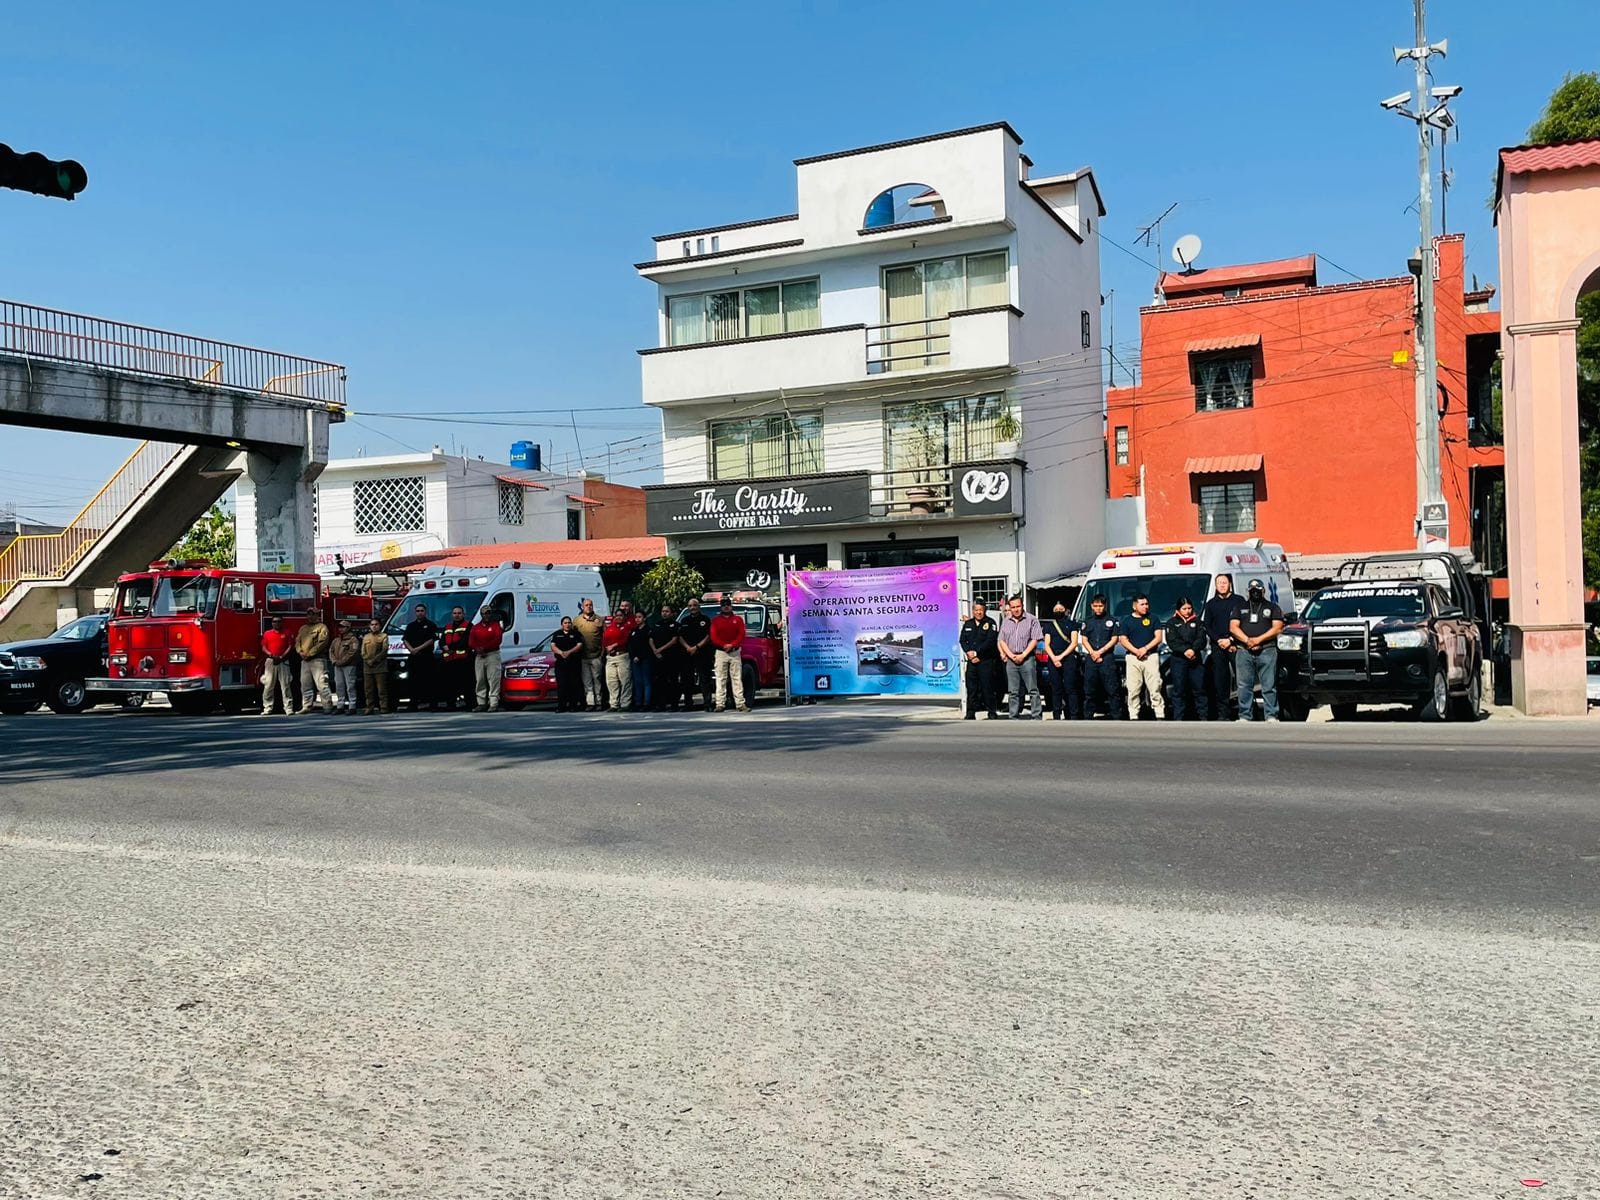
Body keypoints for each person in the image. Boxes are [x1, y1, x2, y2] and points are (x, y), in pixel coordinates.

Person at [1230, 578, 1285, 723]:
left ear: (1263, 591)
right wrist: (1248, 641)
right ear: (1248, 591)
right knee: (1244, 685)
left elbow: (1278, 627)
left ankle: (1271, 714)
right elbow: (1233, 627)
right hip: (1244, 650)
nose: (1255, 593)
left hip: (1267, 649)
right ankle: (1245, 715)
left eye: (1258, 590)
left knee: (1269, 684)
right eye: (1252, 590)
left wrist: (1259, 640)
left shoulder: (1273, 607)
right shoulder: (1239, 607)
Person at [1201, 574, 1244, 721]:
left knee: (1241, 678)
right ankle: (1223, 714)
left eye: (1224, 582)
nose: (1222, 585)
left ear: (1230, 584)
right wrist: (1219, 640)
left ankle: (1244, 711)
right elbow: (1207, 625)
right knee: (1220, 680)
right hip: (1218, 646)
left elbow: (1243, 622)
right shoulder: (1211, 604)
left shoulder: (1239, 601)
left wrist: (1231, 640)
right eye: (1219, 583)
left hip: (1236, 644)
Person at [1120, 593, 1166, 720]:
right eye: (1142, 604)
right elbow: (1123, 639)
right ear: (1134, 606)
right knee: (1133, 687)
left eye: (1146, 604)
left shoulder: (1154, 619)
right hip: (1133, 658)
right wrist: (1136, 651)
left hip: (1150, 656)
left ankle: (1159, 712)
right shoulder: (1126, 621)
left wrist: (1145, 649)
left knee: (1155, 686)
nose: (1145, 607)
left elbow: (1158, 638)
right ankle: (1133, 714)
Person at [998, 595, 1044, 720]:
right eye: (1013, 607)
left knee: (1032, 689)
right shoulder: (1006, 621)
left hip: (1027, 658)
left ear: (1022, 606)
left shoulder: (1032, 619)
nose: (1016, 609)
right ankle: (1013, 715)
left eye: (1018, 606)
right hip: (1011, 659)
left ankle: (1036, 715)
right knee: (1013, 691)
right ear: (1010, 608)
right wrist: (1010, 655)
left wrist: (1023, 655)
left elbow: (1035, 639)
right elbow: (1002, 640)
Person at [1080, 594, 1125, 719]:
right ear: (1091, 606)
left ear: (1105, 606)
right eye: (1096, 606)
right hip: (1091, 659)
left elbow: (1114, 639)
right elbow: (1084, 639)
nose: (1098, 608)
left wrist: (1100, 652)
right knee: (1089, 690)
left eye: (1100, 606)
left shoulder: (1113, 621)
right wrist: (1093, 653)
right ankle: (1088, 716)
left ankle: (1116, 716)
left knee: (1112, 689)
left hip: (1107, 658)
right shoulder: (1087, 621)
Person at [1165, 597, 1209, 721]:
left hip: (1195, 659)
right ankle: (1178, 718)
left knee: (1199, 689)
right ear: (1178, 609)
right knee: (1179, 690)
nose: (1187, 611)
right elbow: (1172, 641)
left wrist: (1193, 650)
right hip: (1179, 659)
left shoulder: (1198, 622)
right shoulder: (1171, 623)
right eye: (1184, 609)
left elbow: (1201, 639)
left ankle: (1203, 717)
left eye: (1189, 608)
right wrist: (1185, 650)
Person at [1039, 602, 1082, 720]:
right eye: (1056, 609)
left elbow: (1073, 643)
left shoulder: (1072, 625)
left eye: (1060, 609)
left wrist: (1061, 656)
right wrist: (1054, 657)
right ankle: (1056, 714)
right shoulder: (1049, 626)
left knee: (1070, 687)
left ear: (1065, 610)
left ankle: (1073, 714)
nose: (1058, 611)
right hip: (1053, 658)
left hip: (1068, 657)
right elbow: (1046, 644)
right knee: (1056, 688)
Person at [959, 602, 1001, 719]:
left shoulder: (990, 623)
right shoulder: (968, 624)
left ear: (985, 610)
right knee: (971, 688)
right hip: (972, 662)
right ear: (973, 611)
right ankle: (970, 712)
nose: (978, 612)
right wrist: (969, 653)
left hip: (986, 661)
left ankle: (991, 712)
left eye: (981, 610)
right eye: (976, 610)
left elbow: (990, 641)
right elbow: (962, 640)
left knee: (987, 687)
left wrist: (977, 652)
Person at [709, 597, 751, 713]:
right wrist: (724, 645)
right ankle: (720, 704)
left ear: (731, 606)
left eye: (728, 604)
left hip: (735, 652)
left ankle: (740, 704)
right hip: (721, 652)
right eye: (723, 605)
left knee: (737, 678)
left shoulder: (738, 619)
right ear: (721, 607)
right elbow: (713, 636)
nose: (726, 607)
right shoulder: (715, 621)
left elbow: (741, 634)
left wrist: (732, 645)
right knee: (720, 678)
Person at [602, 600, 640, 712]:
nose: (618, 617)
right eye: (617, 615)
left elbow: (626, 639)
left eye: (621, 615)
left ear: (624, 617)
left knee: (625, 681)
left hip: (622, 656)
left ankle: (625, 704)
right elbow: (604, 640)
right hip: (610, 657)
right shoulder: (610, 627)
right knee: (612, 681)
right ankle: (614, 704)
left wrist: (614, 645)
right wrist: (607, 648)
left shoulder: (627, 627)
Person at [677, 597, 714, 712]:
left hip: (703, 653)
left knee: (704, 680)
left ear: (699, 606)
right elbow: (680, 636)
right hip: (687, 654)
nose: (692, 607)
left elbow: (708, 636)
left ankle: (707, 704)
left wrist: (697, 647)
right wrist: (688, 648)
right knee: (687, 680)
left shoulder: (706, 619)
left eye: (694, 605)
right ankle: (688, 704)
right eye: (690, 606)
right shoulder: (684, 621)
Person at [402, 603, 439, 712]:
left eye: (422, 611)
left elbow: (431, 640)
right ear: (415, 612)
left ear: (425, 612)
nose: (420, 613)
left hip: (427, 657)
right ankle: (413, 704)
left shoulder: (431, 624)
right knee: (413, 682)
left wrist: (417, 649)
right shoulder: (410, 626)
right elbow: (405, 639)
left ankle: (432, 705)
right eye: (418, 611)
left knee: (430, 681)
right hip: (414, 658)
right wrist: (411, 650)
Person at [295, 613, 334, 714]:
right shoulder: (303, 628)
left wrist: (310, 653)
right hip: (304, 660)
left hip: (318, 660)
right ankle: (306, 706)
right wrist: (300, 652)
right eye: (308, 615)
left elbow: (323, 642)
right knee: (305, 684)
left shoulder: (322, 627)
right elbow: (297, 642)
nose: (310, 617)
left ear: (317, 616)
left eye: (312, 615)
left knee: (322, 683)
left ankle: (327, 706)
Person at [469, 603, 505, 713]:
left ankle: (493, 703)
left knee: (493, 679)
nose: (486, 615)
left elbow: (497, 639)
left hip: (492, 654)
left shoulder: (495, 626)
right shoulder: (476, 627)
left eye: (488, 613)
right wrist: (477, 649)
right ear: (481, 614)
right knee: (480, 679)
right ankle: (481, 703)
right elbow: (471, 641)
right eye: (484, 613)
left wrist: (485, 648)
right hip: (479, 656)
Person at [438, 606, 474, 711]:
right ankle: (451, 705)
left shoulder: (468, 625)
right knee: (450, 684)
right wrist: (444, 646)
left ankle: (469, 704)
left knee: (466, 684)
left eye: (459, 613)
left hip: (463, 660)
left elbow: (465, 641)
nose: (457, 615)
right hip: (449, 661)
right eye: (454, 613)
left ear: (463, 614)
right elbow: (442, 641)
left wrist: (450, 647)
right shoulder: (447, 627)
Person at [573, 597, 606, 711]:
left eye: (590, 605)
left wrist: (602, 654)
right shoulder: (577, 620)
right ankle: (590, 703)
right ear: (582, 607)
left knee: (597, 680)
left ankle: (599, 703)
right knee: (587, 681)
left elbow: (605, 638)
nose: (589, 607)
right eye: (586, 605)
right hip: (583, 657)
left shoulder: (599, 620)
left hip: (596, 656)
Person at [647, 604, 681, 711]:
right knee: (660, 682)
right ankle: (661, 704)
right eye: (663, 611)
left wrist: (660, 649)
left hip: (671, 657)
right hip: (658, 658)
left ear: (671, 613)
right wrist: (655, 651)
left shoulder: (675, 625)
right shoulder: (657, 624)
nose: (664, 613)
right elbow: (651, 638)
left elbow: (674, 640)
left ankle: (674, 705)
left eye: (667, 611)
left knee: (673, 681)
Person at [259, 616, 293, 716]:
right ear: (272, 623)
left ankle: (288, 708)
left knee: (286, 685)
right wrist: (271, 655)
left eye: (278, 621)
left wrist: (282, 656)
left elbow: (290, 646)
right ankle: (267, 708)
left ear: (282, 622)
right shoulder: (267, 634)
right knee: (268, 685)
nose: (276, 623)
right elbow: (263, 647)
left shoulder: (287, 633)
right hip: (270, 661)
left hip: (284, 661)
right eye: (274, 621)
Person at [550, 615, 586, 712]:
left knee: (573, 685)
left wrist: (569, 652)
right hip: (561, 664)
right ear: (562, 625)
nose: (567, 624)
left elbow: (579, 645)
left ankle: (573, 706)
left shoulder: (576, 634)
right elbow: (553, 646)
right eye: (565, 623)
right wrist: (561, 653)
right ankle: (561, 706)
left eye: (569, 622)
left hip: (573, 663)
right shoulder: (557, 634)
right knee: (562, 685)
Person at [328, 619, 361, 714]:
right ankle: (340, 705)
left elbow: (352, 652)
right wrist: (334, 661)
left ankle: (352, 705)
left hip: (349, 666)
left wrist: (342, 661)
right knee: (339, 685)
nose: (341, 629)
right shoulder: (336, 640)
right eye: (340, 627)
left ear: (348, 628)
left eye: (343, 627)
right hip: (337, 666)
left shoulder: (353, 640)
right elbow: (331, 651)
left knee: (350, 685)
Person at [360, 617, 391, 715]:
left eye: (376, 624)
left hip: (380, 667)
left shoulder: (384, 636)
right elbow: (362, 651)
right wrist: (367, 659)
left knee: (381, 689)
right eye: (372, 624)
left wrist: (374, 660)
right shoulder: (366, 637)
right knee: (368, 689)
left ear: (380, 625)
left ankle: (384, 707)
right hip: (367, 667)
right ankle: (369, 707)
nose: (374, 626)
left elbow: (384, 650)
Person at [627, 610, 655, 712]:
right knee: (637, 681)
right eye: (636, 617)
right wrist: (634, 656)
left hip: (645, 659)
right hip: (635, 659)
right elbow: (630, 645)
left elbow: (648, 646)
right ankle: (638, 703)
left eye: (639, 617)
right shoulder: (634, 631)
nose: (637, 619)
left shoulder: (648, 630)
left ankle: (647, 703)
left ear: (644, 618)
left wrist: (640, 656)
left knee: (646, 681)